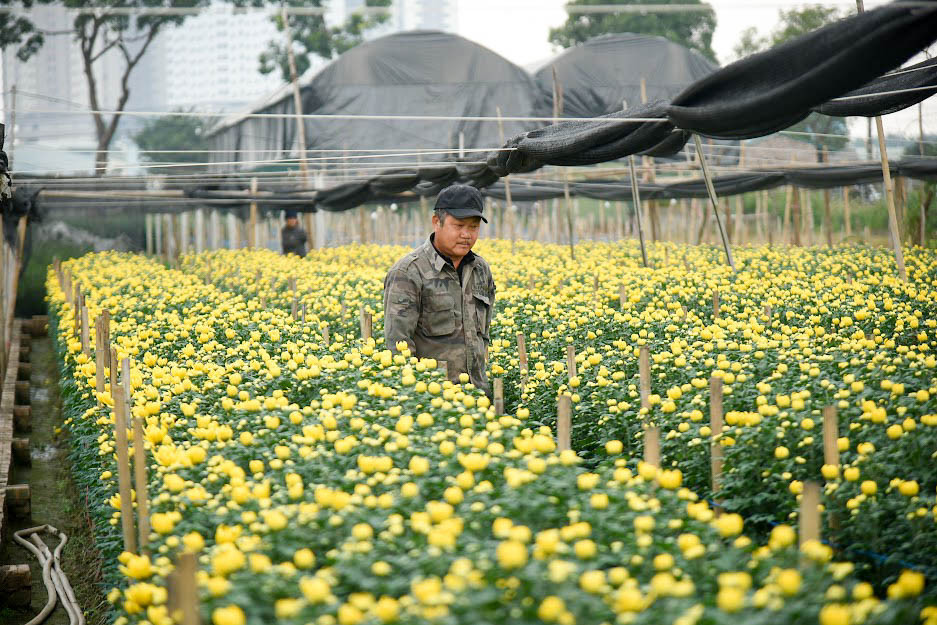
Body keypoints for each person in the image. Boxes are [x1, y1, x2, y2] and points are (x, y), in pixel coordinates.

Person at [383, 184, 496, 396]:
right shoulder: (408, 272)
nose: (466, 234)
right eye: (459, 225)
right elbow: (398, 347)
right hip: (434, 402)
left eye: (473, 227)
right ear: (437, 222)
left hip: (479, 397)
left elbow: (483, 337)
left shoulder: (481, 270)